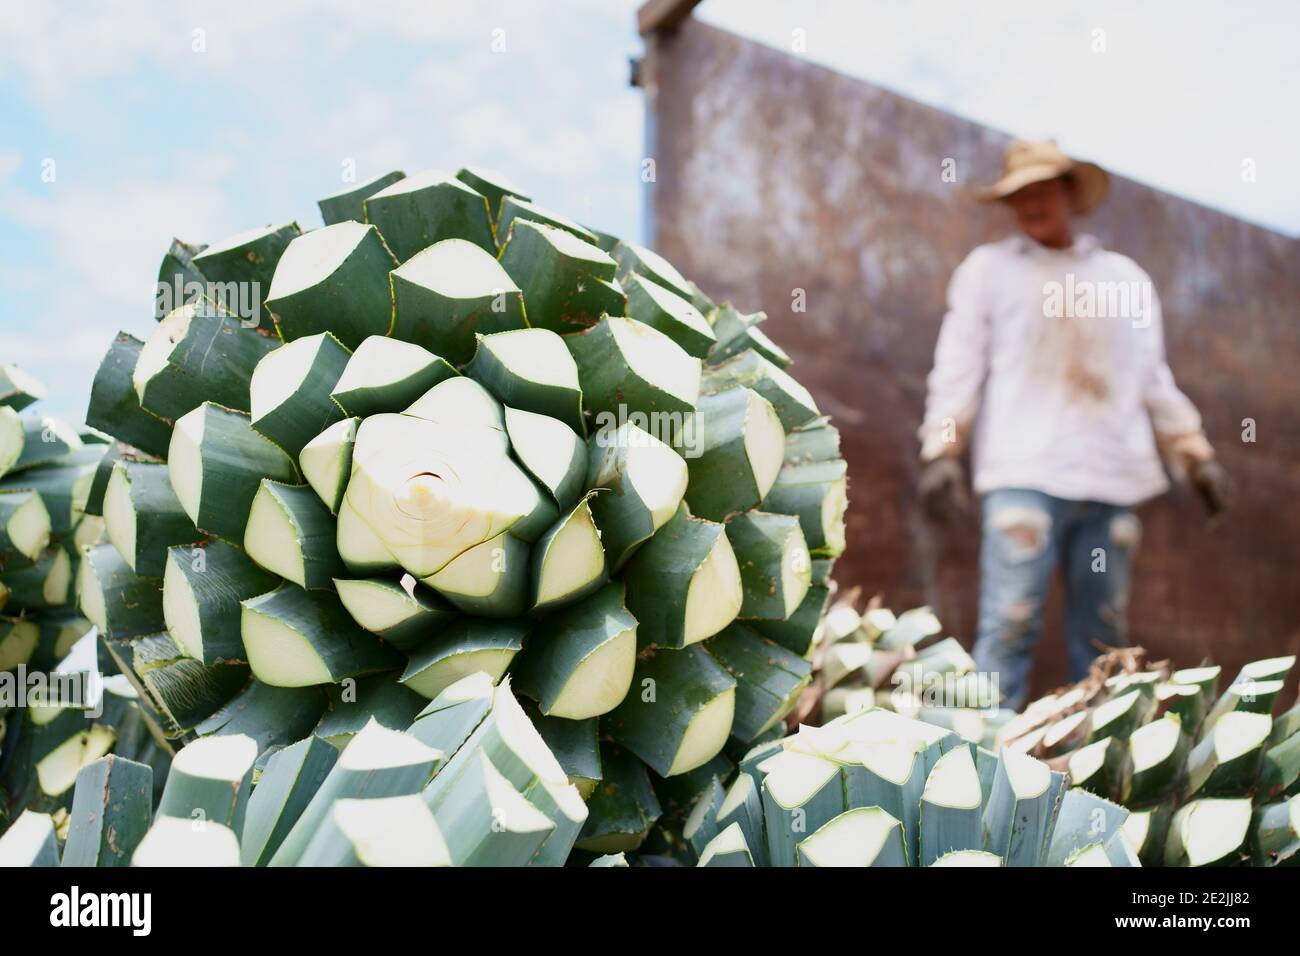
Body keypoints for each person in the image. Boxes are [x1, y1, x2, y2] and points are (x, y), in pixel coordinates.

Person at [917, 139, 1233, 709]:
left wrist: (1194, 454)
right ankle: (985, 771)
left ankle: (1092, 773)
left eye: (1043, 190)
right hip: (1025, 475)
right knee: (1009, 626)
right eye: (1020, 195)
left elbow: (1150, 376)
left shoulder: (1125, 278)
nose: (1032, 204)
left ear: (1069, 192)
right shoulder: (989, 271)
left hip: (1112, 483)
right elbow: (957, 368)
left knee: (1104, 642)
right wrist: (941, 451)